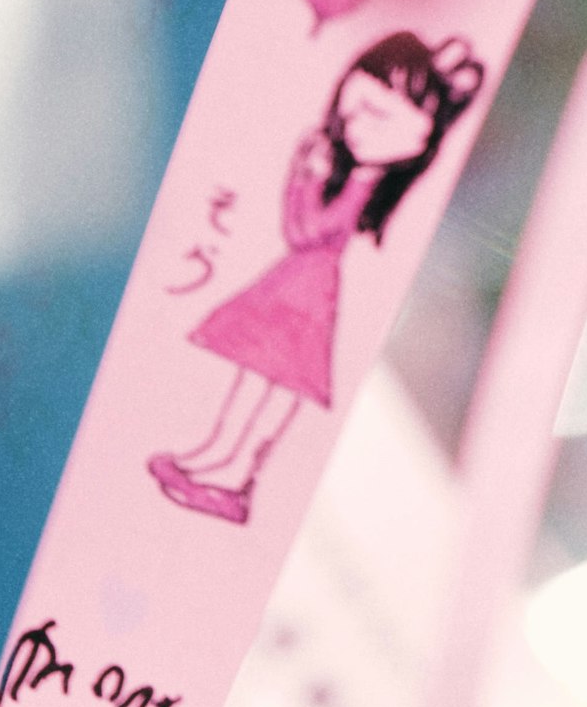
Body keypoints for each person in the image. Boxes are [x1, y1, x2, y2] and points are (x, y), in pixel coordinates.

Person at [147, 27, 486, 523]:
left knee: (275, 387)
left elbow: (312, 231)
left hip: (307, 293)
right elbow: (296, 227)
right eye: (359, 108)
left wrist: (310, 175)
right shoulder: (339, 164)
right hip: (293, 283)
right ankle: (213, 456)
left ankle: (235, 477)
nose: (361, 123)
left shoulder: (362, 183)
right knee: (251, 377)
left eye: (381, 117)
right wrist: (306, 172)